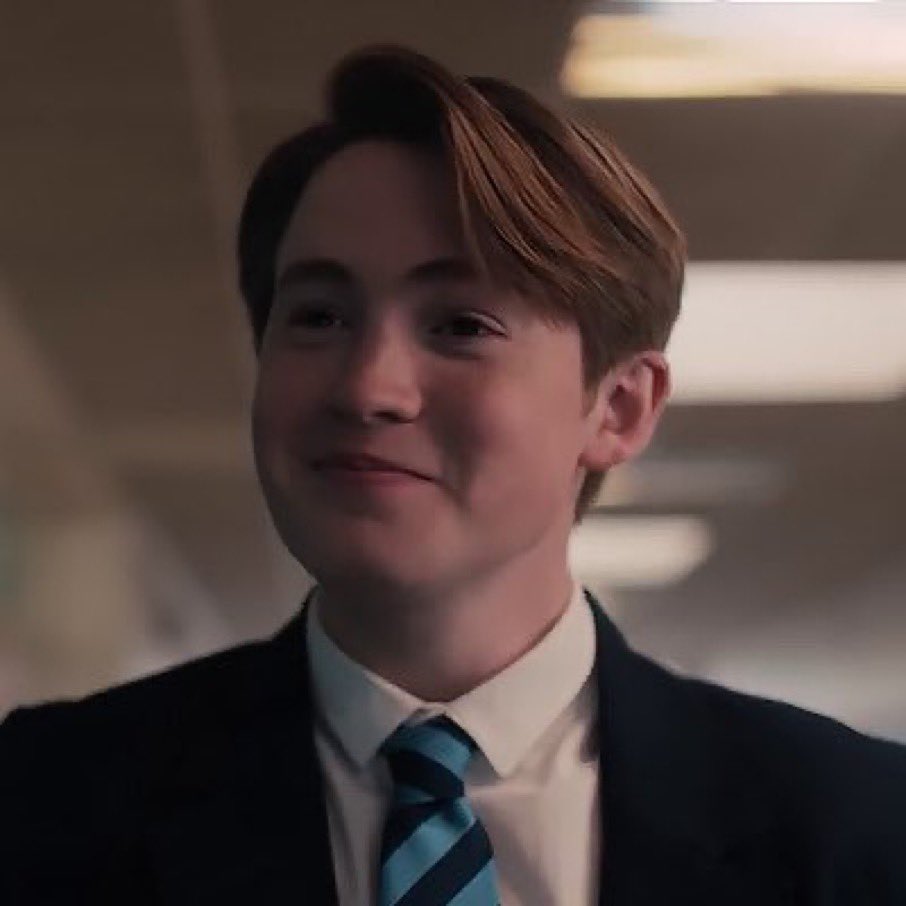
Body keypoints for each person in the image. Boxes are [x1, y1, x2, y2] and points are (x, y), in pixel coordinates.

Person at [1, 43, 904, 906]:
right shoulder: (43, 802)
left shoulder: (857, 831)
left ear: (619, 408)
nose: (368, 387)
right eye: (318, 316)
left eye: (462, 325)